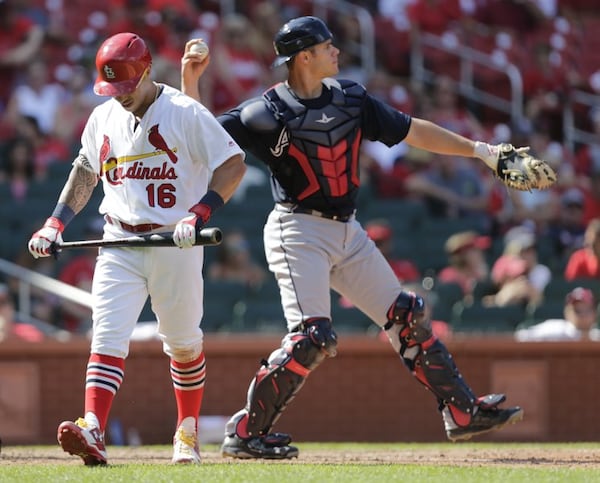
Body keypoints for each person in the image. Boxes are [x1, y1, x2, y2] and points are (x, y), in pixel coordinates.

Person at [181, 16, 523, 460]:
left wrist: (482, 151)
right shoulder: (263, 111)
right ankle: (246, 432)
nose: (336, 53)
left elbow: (413, 129)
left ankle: (462, 413)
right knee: (312, 338)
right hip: (296, 229)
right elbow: (198, 138)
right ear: (304, 56)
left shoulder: (352, 98)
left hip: (348, 229)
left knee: (406, 314)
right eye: (327, 47)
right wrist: (191, 80)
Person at [27, 32, 246, 466]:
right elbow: (86, 170)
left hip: (174, 238)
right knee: (106, 336)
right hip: (119, 237)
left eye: (126, 86)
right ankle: (93, 426)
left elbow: (233, 164)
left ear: (147, 72)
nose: (120, 96)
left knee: (183, 343)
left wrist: (200, 211)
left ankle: (187, 431)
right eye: (113, 88)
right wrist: (55, 222)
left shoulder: (184, 112)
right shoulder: (102, 116)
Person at [515, 287, 599, 341]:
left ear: (595, 313)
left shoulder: (597, 336)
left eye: (587, 310)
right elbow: (521, 336)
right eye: (577, 310)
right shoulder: (556, 329)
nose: (583, 315)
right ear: (567, 312)